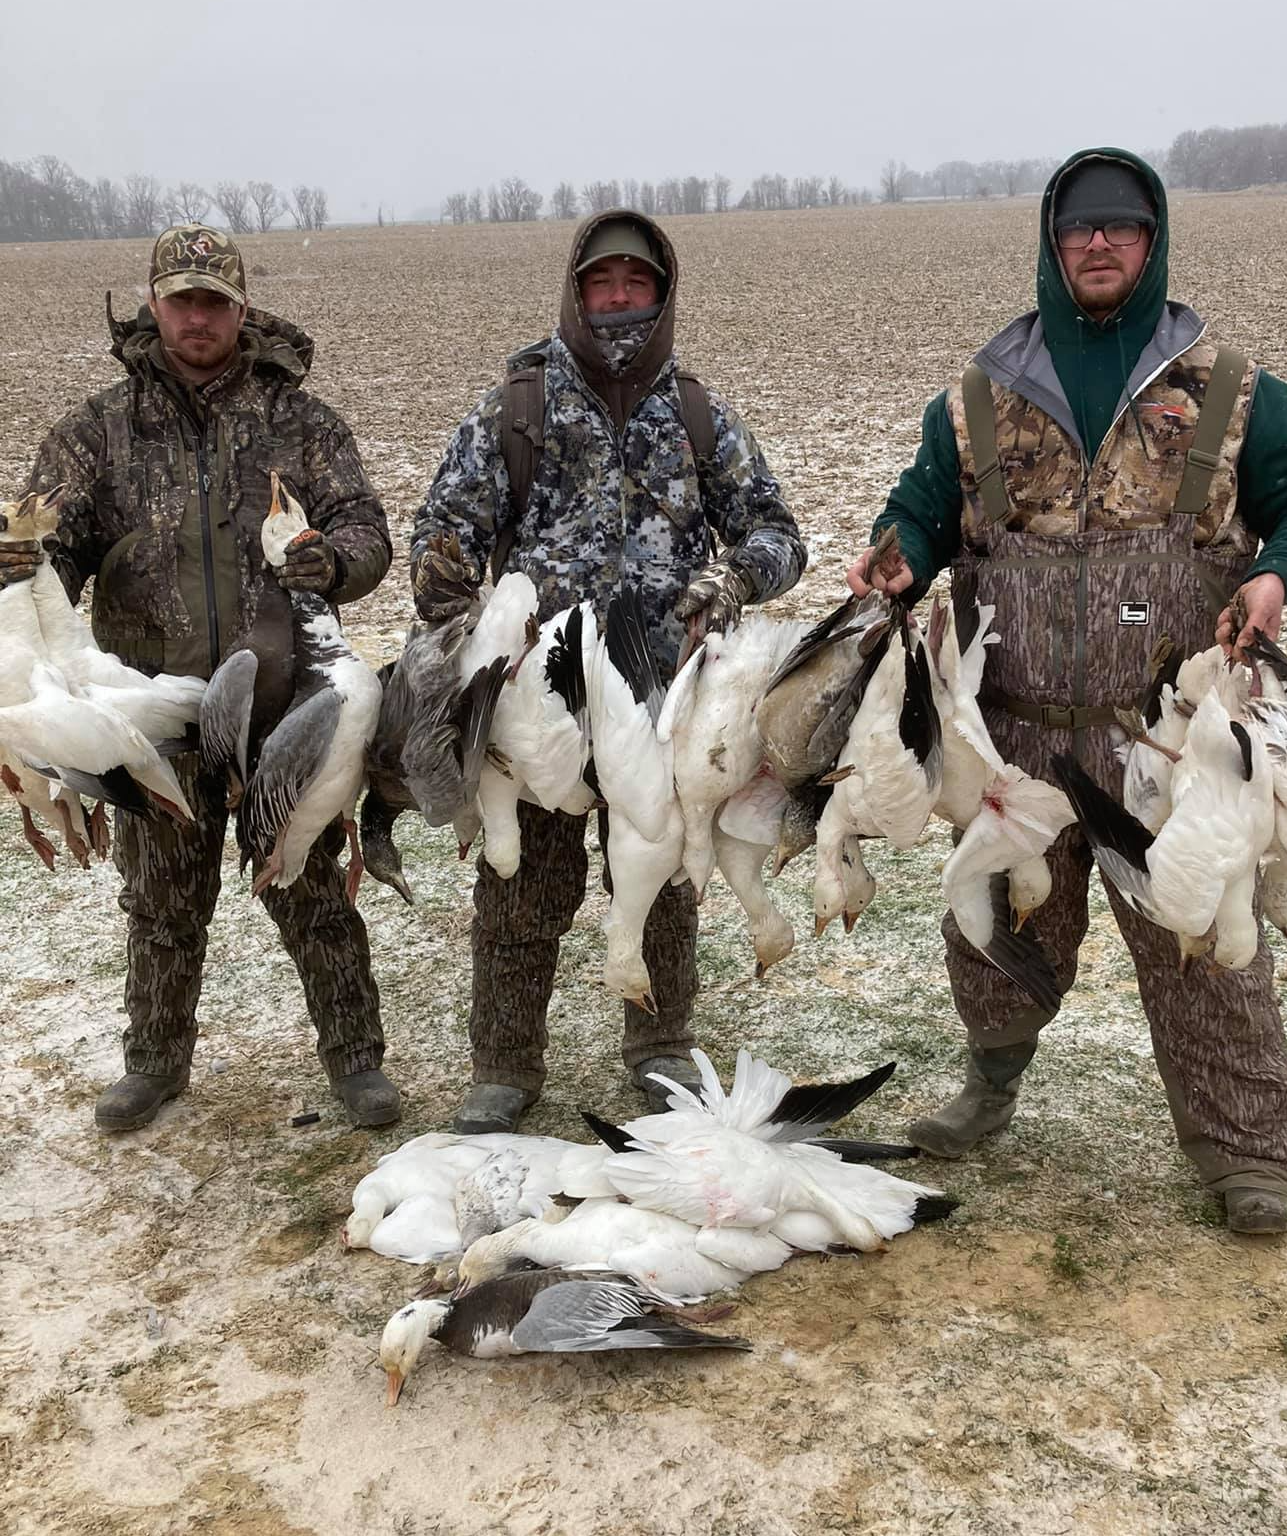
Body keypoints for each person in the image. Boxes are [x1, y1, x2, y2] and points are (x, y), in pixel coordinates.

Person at [847, 150, 1287, 1234]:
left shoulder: (1227, 389)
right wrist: (899, 553)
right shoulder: (981, 394)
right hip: (1016, 737)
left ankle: (1244, 1153)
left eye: (1123, 226)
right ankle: (991, 1088)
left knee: (1208, 947)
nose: (1101, 243)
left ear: (1154, 238)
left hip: (1165, 747)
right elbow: (925, 512)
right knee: (992, 927)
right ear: (1051, 239)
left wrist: (1275, 572)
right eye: (1082, 227)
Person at [411, 209, 805, 1133]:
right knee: (521, 886)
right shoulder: (518, 406)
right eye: (602, 283)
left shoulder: (699, 414)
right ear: (576, 292)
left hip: (664, 695)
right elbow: (445, 533)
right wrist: (459, 608)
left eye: (637, 284)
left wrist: (730, 575)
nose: (619, 298)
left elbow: (777, 535)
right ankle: (504, 1068)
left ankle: (660, 1045)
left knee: (666, 876)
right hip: (540, 698)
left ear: (661, 295)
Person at [12, 223, 400, 1133]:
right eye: (180, 300)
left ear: (239, 307)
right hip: (153, 716)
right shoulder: (95, 432)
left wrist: (331, 563)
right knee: (160, 904)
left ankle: (355, 1064)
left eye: (213, 301)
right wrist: (26, 578)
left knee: (312, 895)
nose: (197, 317)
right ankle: (153, 1065)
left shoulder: (301, 421)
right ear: (155, 305)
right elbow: (46, 558)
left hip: (284, 714)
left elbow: (367, 529)